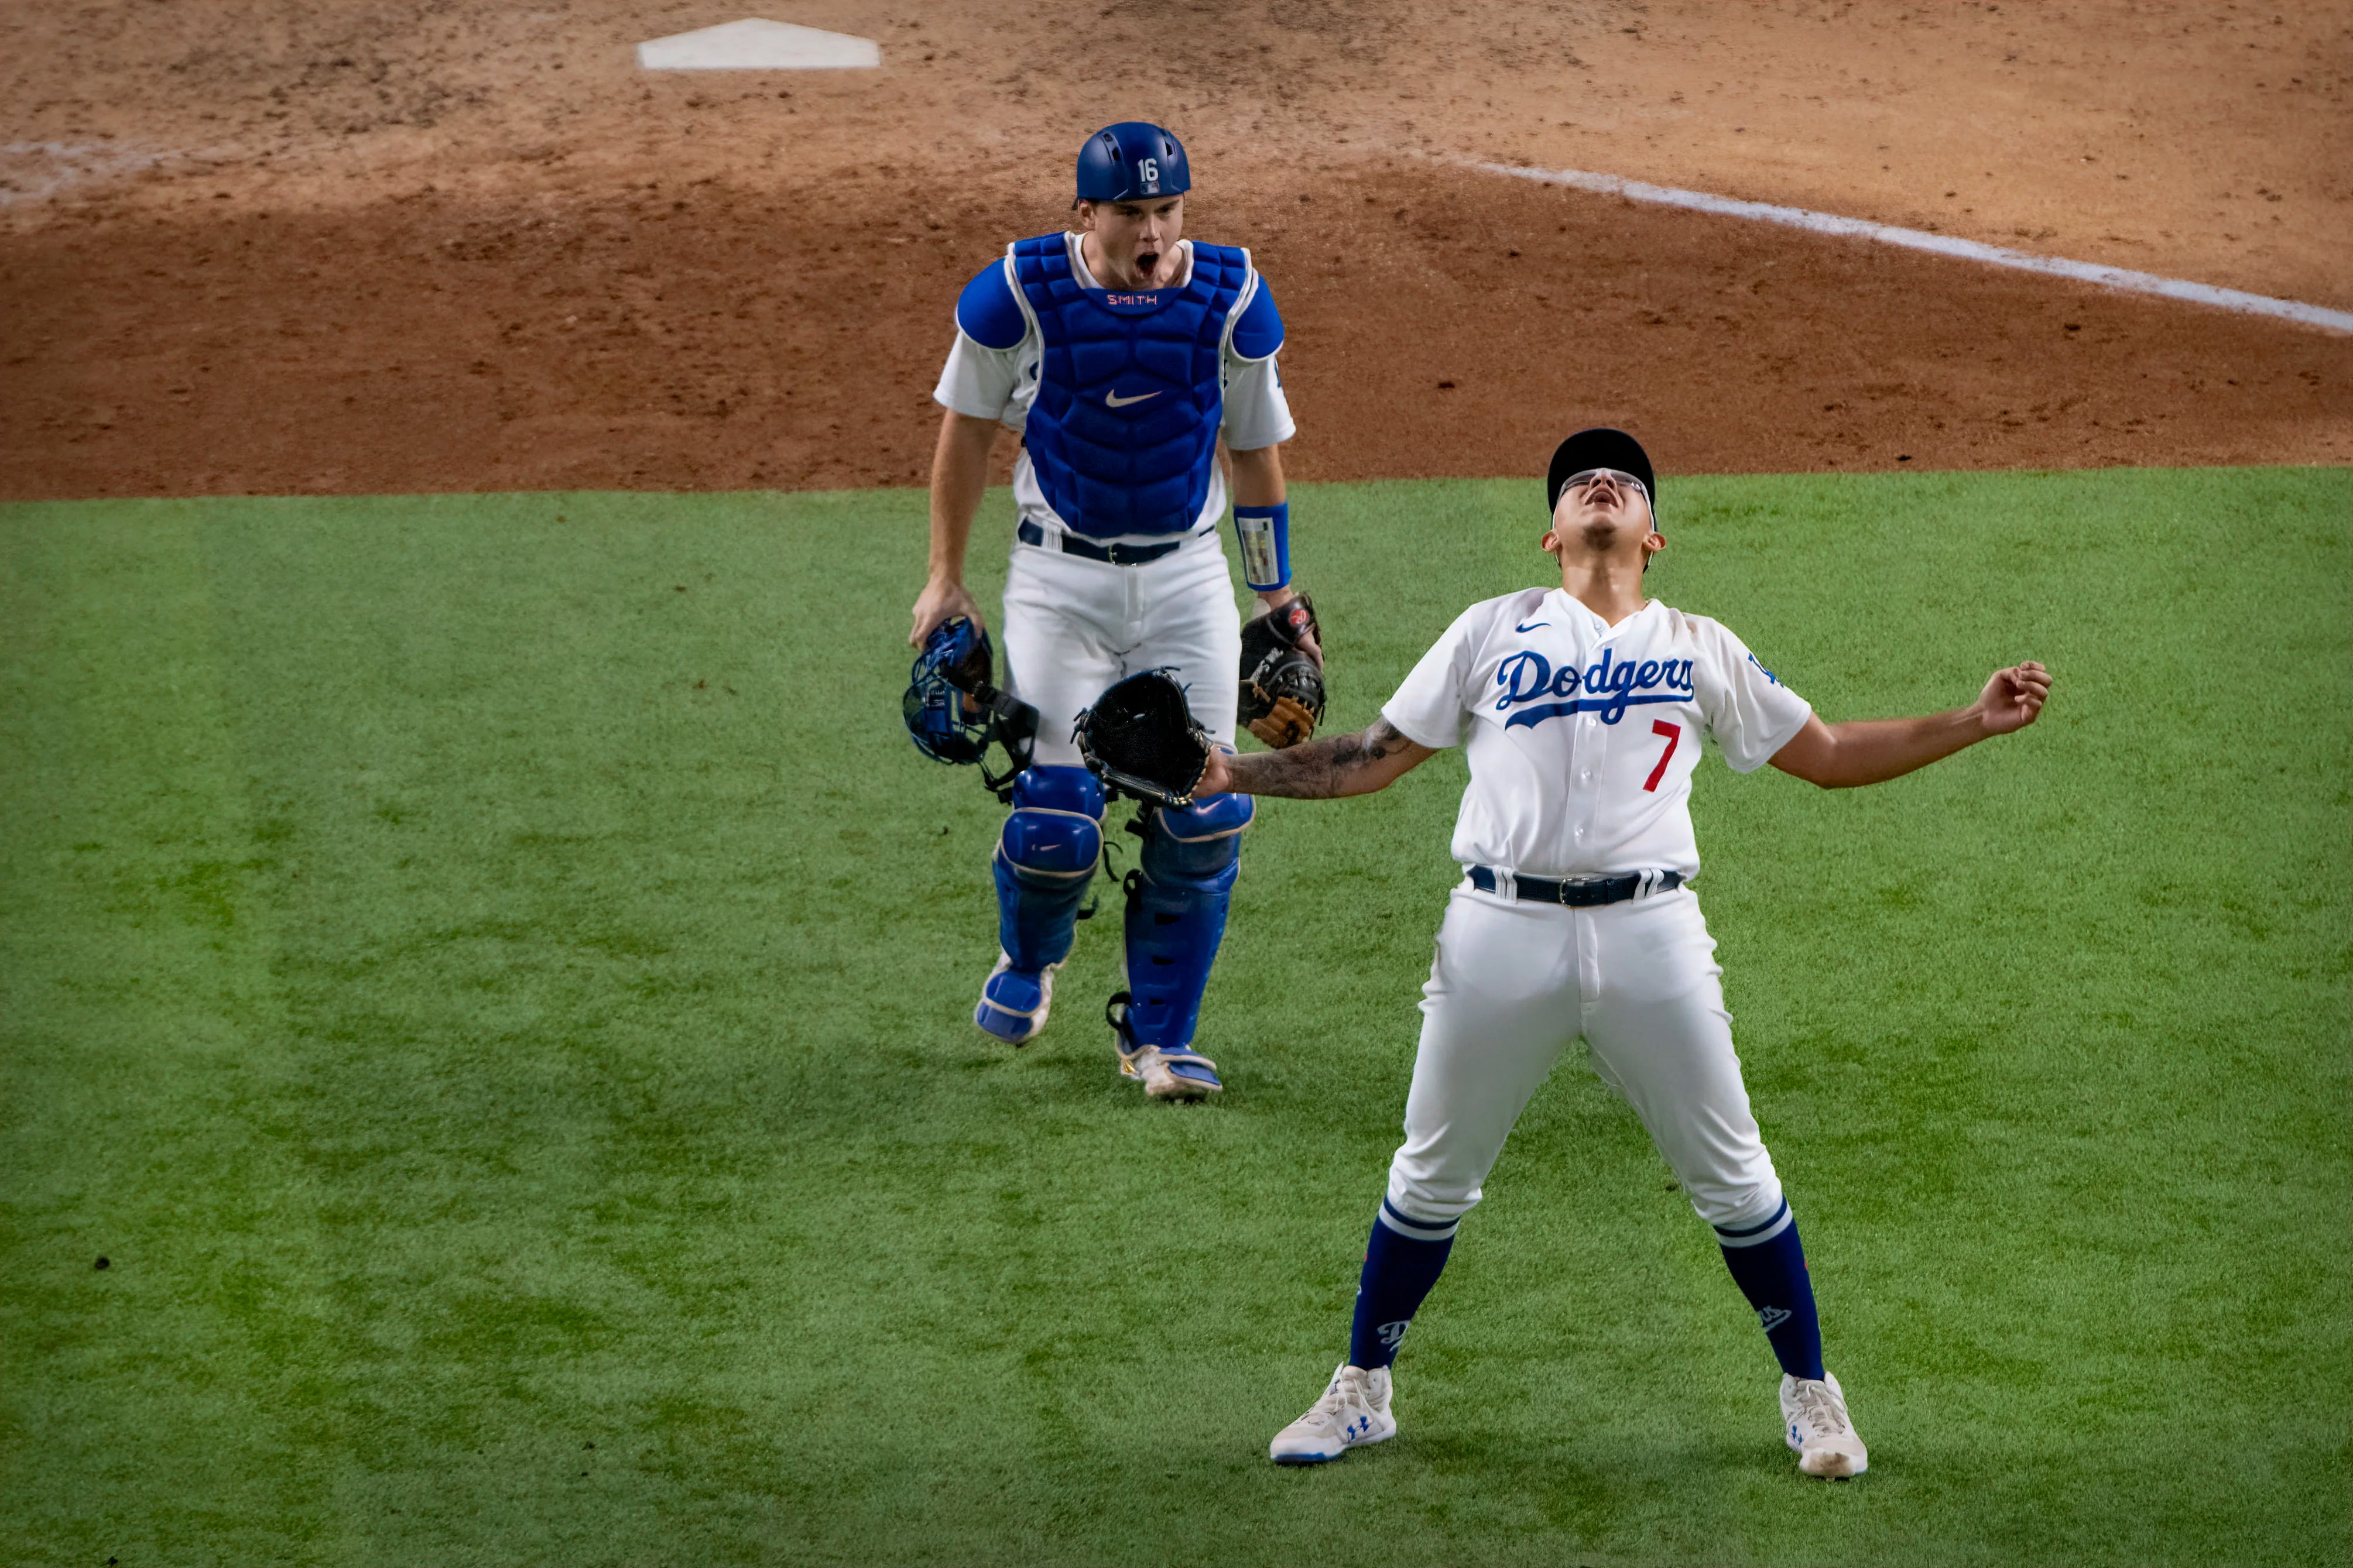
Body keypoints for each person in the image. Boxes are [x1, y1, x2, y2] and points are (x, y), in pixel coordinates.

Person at [1199, 428, 2051, 1474]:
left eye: (1626, 483)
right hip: (1497, 933)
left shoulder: (1703, 645)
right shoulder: (1488, 631)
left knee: (1736, 1180)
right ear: (1551, 533)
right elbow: (1373, 758)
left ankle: (1813, 1396)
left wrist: (1970, 719)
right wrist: (1228, 773)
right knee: (1429, 1179)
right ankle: (1363, 1390)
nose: (1602, 485)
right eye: (1579, 483)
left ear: (1656, 536)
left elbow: (1825, 756)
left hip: (1652, 935)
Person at [907, 122, 1316, 1102]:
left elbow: (1256, 455)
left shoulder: (1230, 302)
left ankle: (1160, 1042)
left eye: (1167, 211)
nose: (1152, 232)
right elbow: (964, 437)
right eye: (1131, 212)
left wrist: (1276, 593)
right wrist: (944, 577)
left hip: (1186, 580)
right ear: (1085, 213)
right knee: (1057, 827)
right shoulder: (1019, 297)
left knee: (1209, 809)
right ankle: (1029, 956)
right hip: (1060, 585)